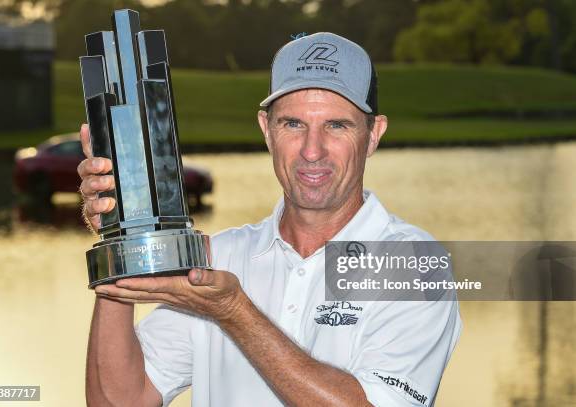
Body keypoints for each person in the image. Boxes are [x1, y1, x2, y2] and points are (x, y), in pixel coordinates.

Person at [78, 32, 461, 407]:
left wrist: (234, 313)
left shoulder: (415, 264)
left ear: (373, 134)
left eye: (336, 125)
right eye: (293, 124)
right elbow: (119, 401)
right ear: (266, 129)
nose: (312, 151)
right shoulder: (219, 259)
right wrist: (119, 241)